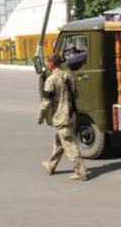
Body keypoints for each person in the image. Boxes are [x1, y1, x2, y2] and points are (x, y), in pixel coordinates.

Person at [38, 52, 89, 181]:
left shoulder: (51, 80)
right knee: (60, 141)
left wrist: (41, 116)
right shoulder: (68, 76)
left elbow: (46, 101)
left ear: (51, 63)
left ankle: (81, 171)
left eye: (46, 61)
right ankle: (51, 165)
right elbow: (76, 94)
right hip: (71, 114)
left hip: (61, 117)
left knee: (69, 144)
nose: (45, 64)